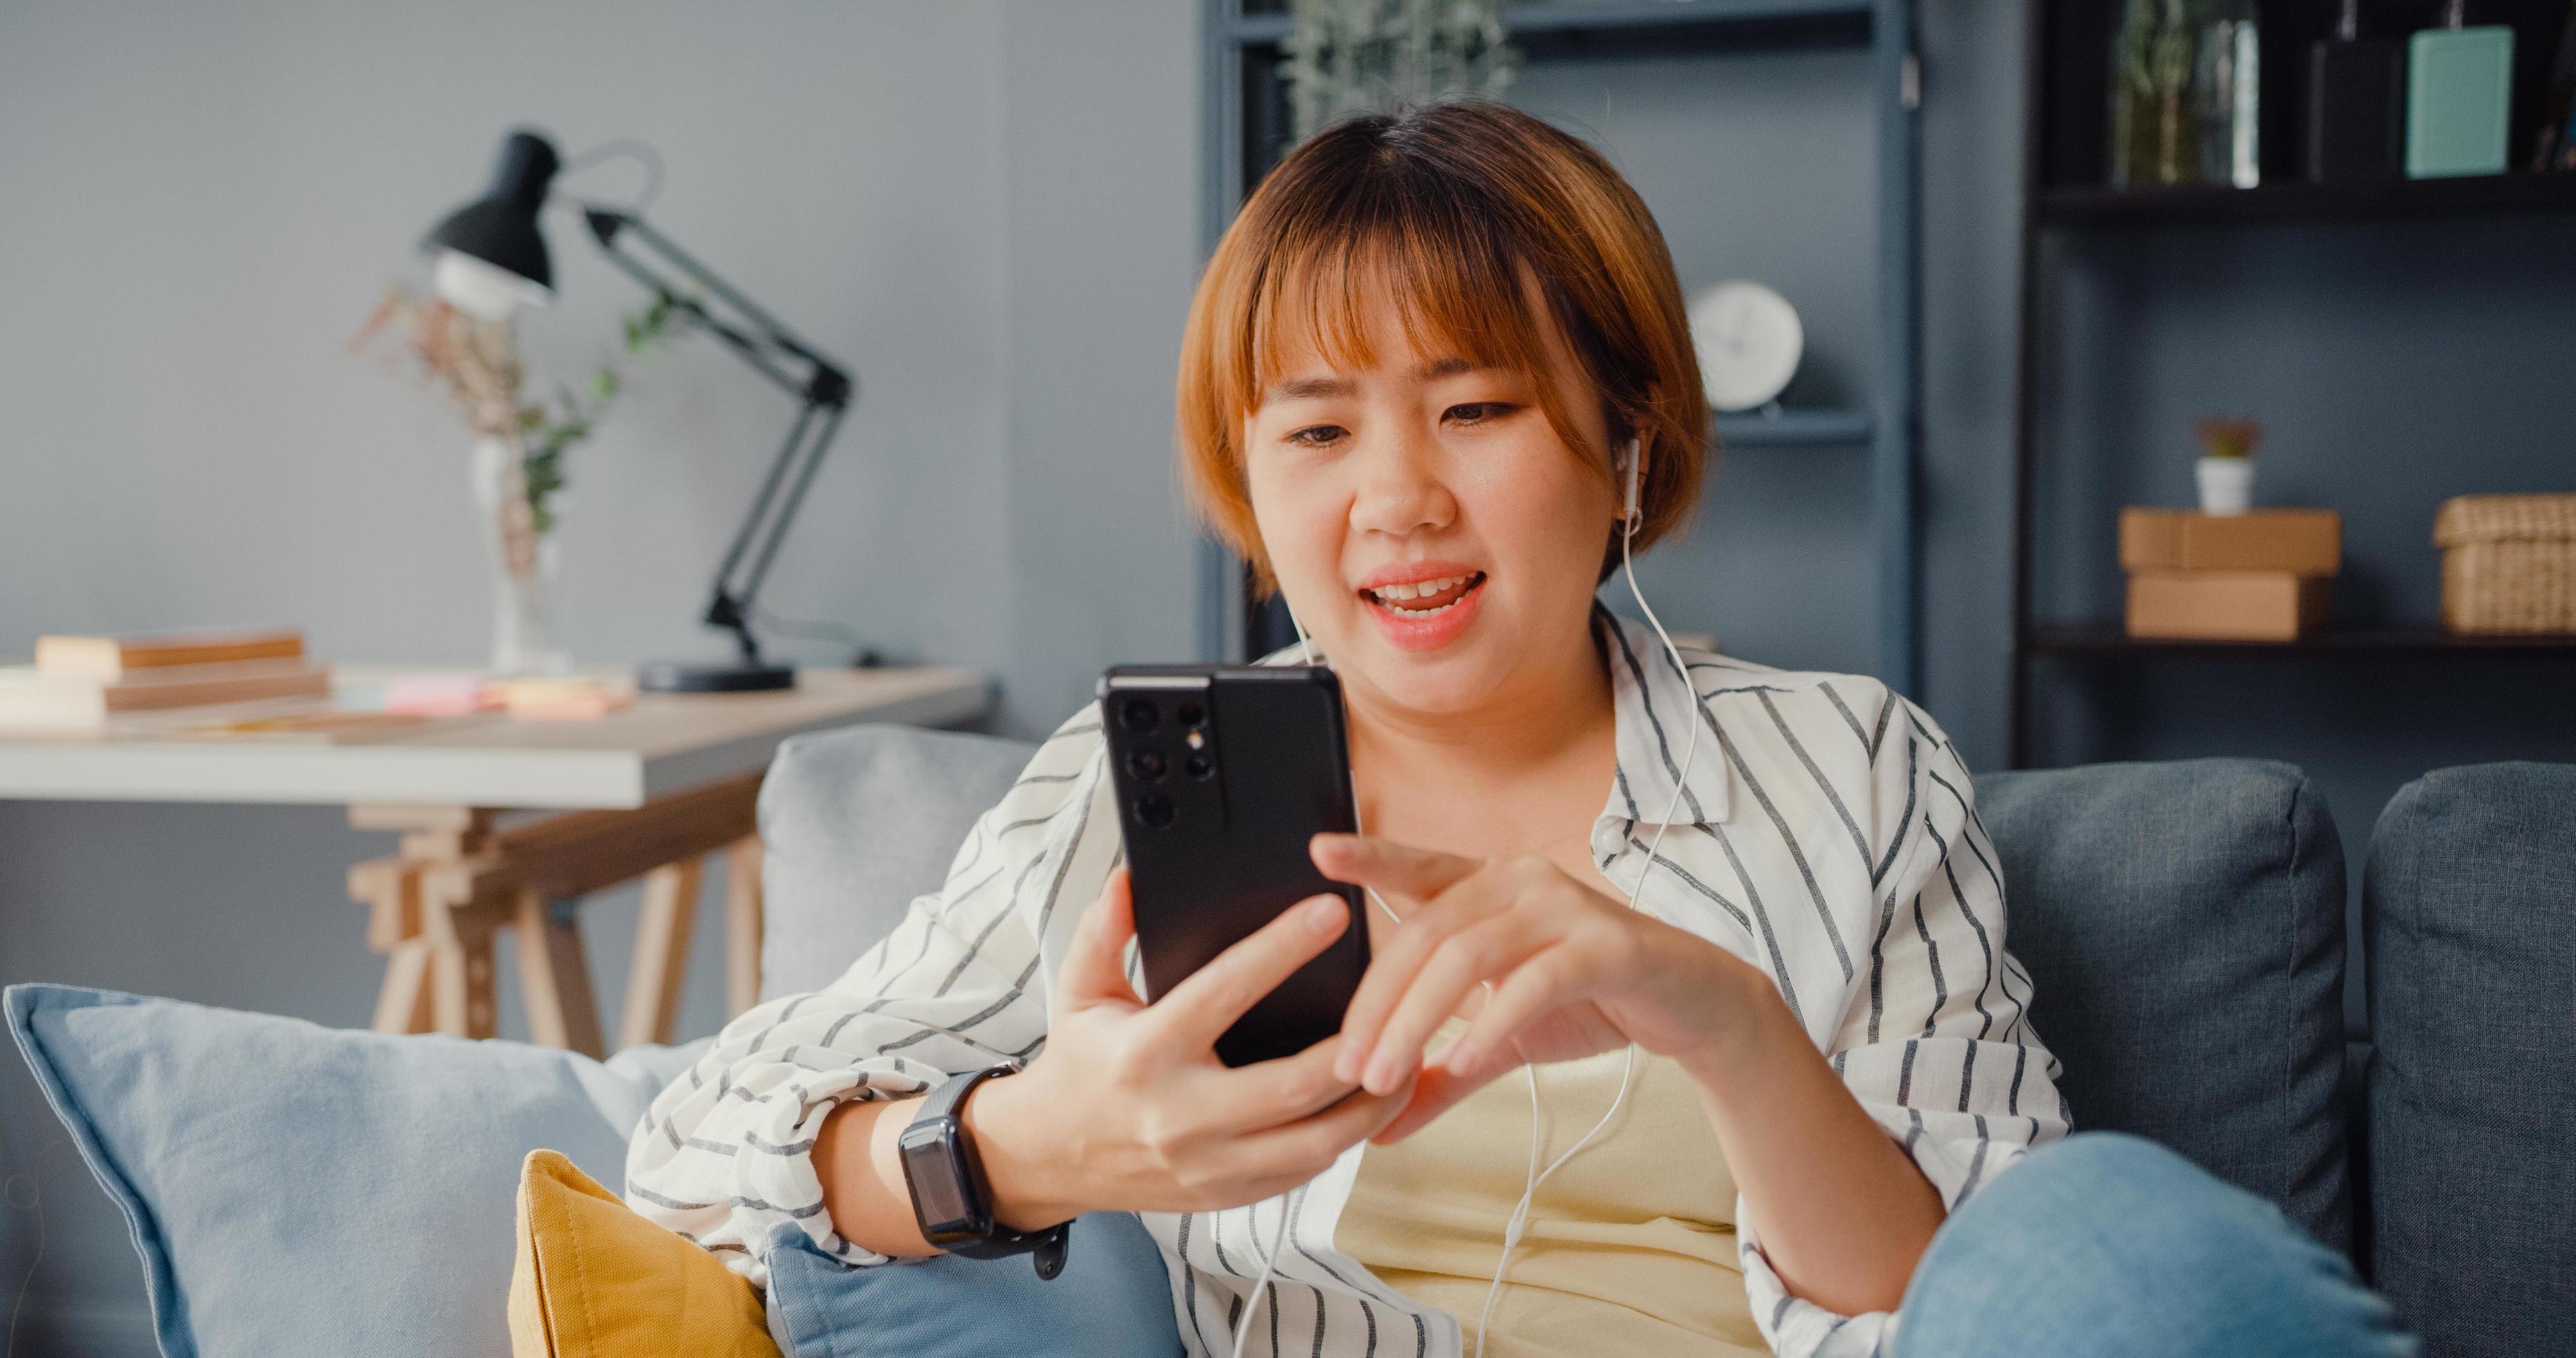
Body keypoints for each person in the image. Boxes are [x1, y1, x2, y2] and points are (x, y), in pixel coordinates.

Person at [629, 101, 2415, 1358]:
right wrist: (1021, 1148)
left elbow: (1960, 1293)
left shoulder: (1848, 766)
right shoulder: (1137, 801)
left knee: (2107, 1222)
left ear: (1625, 446)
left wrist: (1716, 1016)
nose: (1395, 499)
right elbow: (695, 1144)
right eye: (1315, 432)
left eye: (1475, 407)